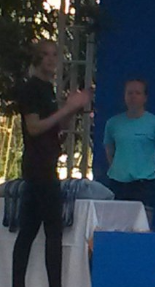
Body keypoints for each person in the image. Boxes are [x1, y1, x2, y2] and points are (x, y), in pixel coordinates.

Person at [13, 40, 91, 287]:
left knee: (30, 230)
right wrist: (66, 109)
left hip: (46, 162)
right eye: (45, 54)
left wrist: (71, 109)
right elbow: (34, 127)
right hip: (38, 166)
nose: (50, 59)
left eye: (54, 55)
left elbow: (56, 127)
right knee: (51, 231)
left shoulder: (47, 89)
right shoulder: (31, 89)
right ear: (37, 58)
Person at [103, 78, 155, 226]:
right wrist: (118, 169)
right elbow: (109, 150)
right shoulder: (112, 123)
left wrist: (151, 175)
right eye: (129, 93)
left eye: (137, 93)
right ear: (124, 96)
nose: (133, 96)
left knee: (142, 227)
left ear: (145, 98)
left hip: (144, 184)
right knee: (117, 226)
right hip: (118, 183)